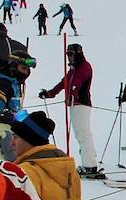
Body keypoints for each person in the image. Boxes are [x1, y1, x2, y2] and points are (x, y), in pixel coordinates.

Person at [39, 43, 100, 178]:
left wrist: (73, 94)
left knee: (83, 134)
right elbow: (64, 83)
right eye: (67, 54)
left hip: (81, 104)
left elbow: (76, 83)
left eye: (71, 54)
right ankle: (89, 161)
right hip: (74, 104)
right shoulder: (73, 69)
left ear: (78, 53)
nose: (69, 57)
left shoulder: (84, 67)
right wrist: (50, 93)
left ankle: (90, 165)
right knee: (81, 134)